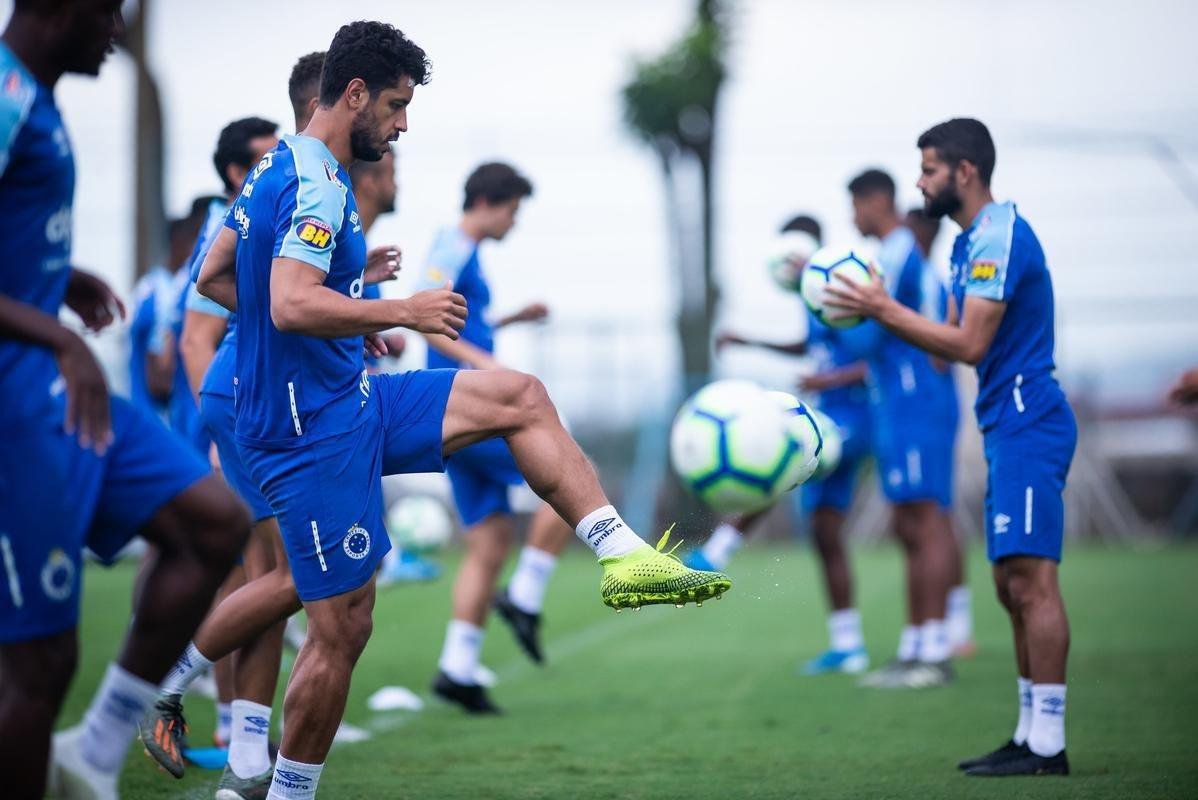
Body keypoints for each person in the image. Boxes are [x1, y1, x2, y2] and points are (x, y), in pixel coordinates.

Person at [195, 22, 730, 798]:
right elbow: (283, 303)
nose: (403, 124)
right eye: (396, 106)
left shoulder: (286, 165)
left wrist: (348, 305)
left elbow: (218, 277)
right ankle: (275, 783)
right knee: (342, 623)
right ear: (353, 96)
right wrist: (398, 311)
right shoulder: (314, 181)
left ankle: (624, 557)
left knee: (521, 396)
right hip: (309, 432)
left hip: (352, 399)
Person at [0, 2, 249, 798]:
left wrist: (54, 281)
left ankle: (98, 750)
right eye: (110, 12)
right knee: (38, 661)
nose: (119, 30)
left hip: (58, 395)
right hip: (17, 403)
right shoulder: (3, 95)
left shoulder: (36, 100)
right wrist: (62, 337)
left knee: (214, 524)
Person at [827, 118, 1077, 776]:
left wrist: (881, 309)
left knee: (1032, 583)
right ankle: (1029, 736)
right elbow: (944, 338)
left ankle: (1047, 745)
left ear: (964, 172)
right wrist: (877, 313)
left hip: (1029, 419)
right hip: (1003, 424)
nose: (919, 181)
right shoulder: (970, 245)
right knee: (1008, 584)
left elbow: (966, 346)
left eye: (930, 169)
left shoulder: (998, 235)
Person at [414, 162, 576, 712]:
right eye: (512, 209)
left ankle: (457, 668)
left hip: (452, 407)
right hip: (465, 402)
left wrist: (508, 321)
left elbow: (460, 320)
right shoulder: (453, 244)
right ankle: (525, 598)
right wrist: (488, 365)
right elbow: (424, 311)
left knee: (487, 543)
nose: (514, 221)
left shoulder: (468, 253)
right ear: (486, 201)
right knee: (569, 477)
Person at [693, 214, 874, 675]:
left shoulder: (839, 286)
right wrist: (751, 339)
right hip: (833, 414)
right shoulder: (813, 299)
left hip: (853, 418)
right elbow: (808, 346)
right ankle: (849, 646)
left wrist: (827, 378)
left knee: (783, 452)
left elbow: (877, 360)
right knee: (824, 533)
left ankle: (717, 551)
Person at [842, 168, 964, 689]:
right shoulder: (891, 253)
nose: (852, 217)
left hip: (917, 402)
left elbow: (867, 337)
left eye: (854, 205)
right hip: (896, 403)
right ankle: (915, 646)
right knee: (908, 524)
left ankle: (935, 651)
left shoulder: (897, 252)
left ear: (874, 201)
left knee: (928, 520)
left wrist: (825, 300)